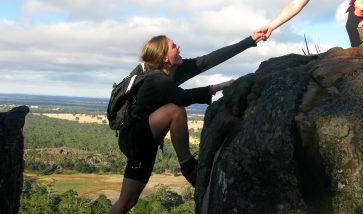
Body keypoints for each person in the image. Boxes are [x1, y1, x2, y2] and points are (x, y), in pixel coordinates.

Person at [109, 32, 264, 214]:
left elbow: (210, 59)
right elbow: (182, 97)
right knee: (176, 111)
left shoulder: (172, 71)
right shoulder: (156, 80)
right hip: (137, 140)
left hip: (144, 141)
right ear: (165, 57)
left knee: (127, 201)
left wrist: (251, 40)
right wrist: (214, 88)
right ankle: (188, 165)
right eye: (174, 46)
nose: (179, 47)